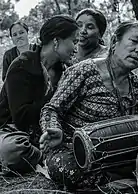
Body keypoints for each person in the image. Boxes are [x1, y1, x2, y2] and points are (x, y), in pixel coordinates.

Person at [38, 21, 138, 191]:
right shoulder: (83, 71)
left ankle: (113, 179)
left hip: (116, 152)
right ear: (114, 42)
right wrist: (52, 129)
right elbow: (52, 109)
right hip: (73, 150)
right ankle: (123, 179)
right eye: (134, 41)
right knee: (65, 168)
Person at [0, 15, 79, 175]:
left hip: (44, 131)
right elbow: (21, 117)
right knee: (12, 151)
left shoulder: (63, 70)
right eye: (73, 41)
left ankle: (43, 154)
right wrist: (54, 103)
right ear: (56, 41)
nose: (76, 48)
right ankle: (45, 157)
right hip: (12, 128)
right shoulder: (22, 65)